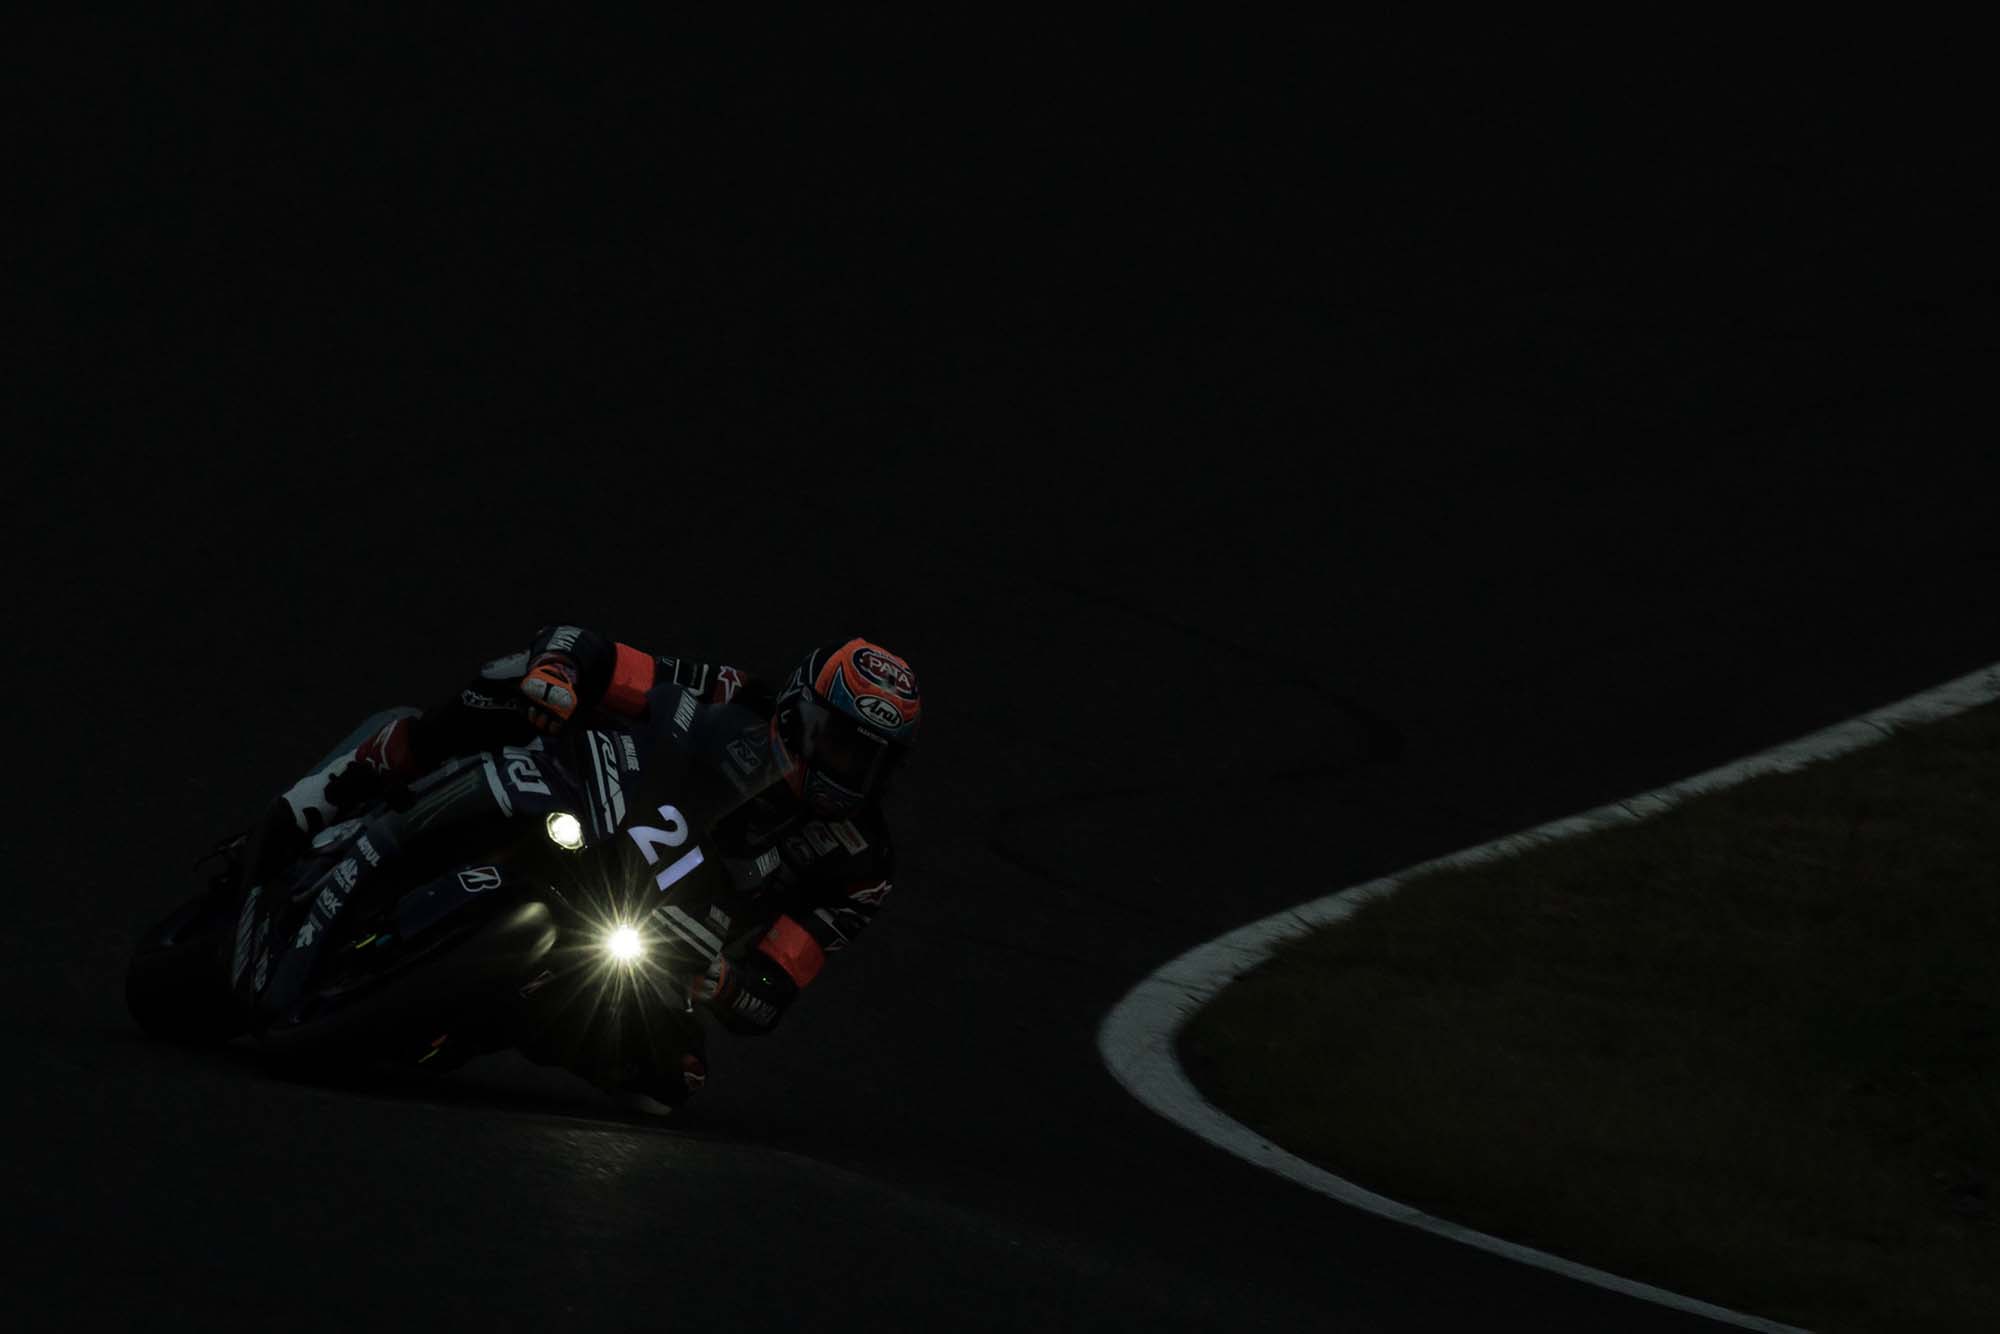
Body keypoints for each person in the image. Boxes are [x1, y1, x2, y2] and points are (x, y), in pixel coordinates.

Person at [266, 625, 922, 1113]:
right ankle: (344, 782)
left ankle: (474, 1014)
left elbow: (773, 989)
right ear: (799, 716)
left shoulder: (862, 863)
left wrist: (724, 983)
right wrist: (560, 671)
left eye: (872, 762)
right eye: (842, 746)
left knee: (674, 1080)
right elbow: (600, 653)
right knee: (510, 682)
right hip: (601, 815)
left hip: (666, 936)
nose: (852, 772)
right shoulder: (736, 695)